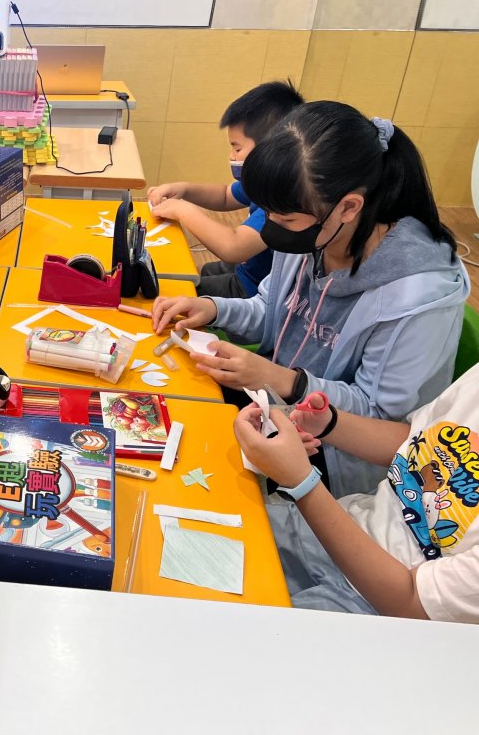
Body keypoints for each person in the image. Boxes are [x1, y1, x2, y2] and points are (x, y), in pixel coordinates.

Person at [152, 101, 469, 497]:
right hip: (276, 404)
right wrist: (214, 309)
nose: (272, 229)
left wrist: (282, 380)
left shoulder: (416, 296)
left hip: (336, 459)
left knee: (193, 480)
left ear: (348, 207)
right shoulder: (316, 235)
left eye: (285, 220)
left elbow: (381, 419)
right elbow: (271, 310)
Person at [235, 365, 479, 623]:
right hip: (343, 525)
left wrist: (302, 483)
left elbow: (410, 602)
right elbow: (413, 439)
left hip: (379, 608)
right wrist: (329, 423)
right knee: (216, 536)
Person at [147, 81, 304, 299]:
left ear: (269, 149)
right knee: (201, 271)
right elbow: (224, 195)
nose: (232, 156)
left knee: (181, 292)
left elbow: (233, 247)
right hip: (247, 267)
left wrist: (183, 210)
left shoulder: (280, 200)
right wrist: (183, 189)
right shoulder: (260, 181)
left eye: (237, 148)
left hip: (253, 290)